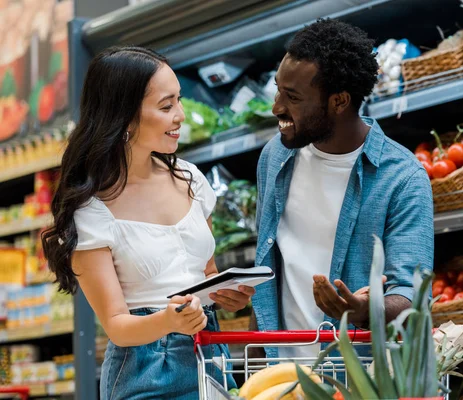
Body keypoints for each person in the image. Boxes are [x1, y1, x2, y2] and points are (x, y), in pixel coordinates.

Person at [42, 46, 254, 399]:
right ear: (124, 116)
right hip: (146, 371)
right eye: (166, 106)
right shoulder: (91, 209)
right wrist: (169, 322)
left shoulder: (190, 179)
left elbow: (206, 273)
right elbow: (117, 327)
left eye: (179, 101)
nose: (181, 116)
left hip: (210, 353)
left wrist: (224, 293)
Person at [251, 18, 434, 359]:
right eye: (278, 89)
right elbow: (269, 267)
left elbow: (413, 300)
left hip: (356, 379)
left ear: (339, 102)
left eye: (292, 97)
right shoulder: (274, 158)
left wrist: (363, 309)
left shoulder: (402, 178)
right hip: (281, 376)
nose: (276, 106)